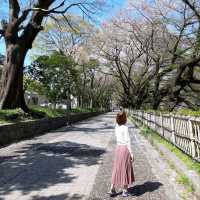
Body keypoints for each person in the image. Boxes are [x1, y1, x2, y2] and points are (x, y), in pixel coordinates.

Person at [108, 111, 135, 197]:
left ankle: (112, 188)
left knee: (116, 168)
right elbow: (128, 141)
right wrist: (131, 153)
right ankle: (125, 191)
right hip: (124, 149)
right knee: (125, 168)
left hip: (118, 148)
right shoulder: (125, 128)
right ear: (124, 118)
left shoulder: (116, 127)